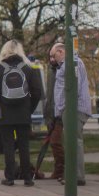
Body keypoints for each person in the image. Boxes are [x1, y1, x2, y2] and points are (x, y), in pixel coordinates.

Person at [0, 40, 43, 186]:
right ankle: (27, 178)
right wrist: (29, 109)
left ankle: (10, 177)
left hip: (5, 114)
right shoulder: (28, 68)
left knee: (8, 146)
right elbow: (37, 92)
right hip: (23, 113)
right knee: (24, 145)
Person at [53, 42, 91, 186]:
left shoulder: (72, 63)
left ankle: (77, 176)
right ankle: (72, 174)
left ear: (61, 52)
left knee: (74, 142)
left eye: (54, 55)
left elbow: (72, 87)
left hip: (73, 109)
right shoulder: (69, 64)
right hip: (70, 108)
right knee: (71, 141)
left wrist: (62, 107)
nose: (53, 59)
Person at [43, 45, 66, 182]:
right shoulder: (51, 71)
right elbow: (50, 95)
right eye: (50, 57)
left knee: (55, 142)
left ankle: (61, 170)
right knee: (54, 143)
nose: (52, 59)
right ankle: (59, 169)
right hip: (51, 113)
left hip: (60, 112)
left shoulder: (62, 70)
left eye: (53, 56)